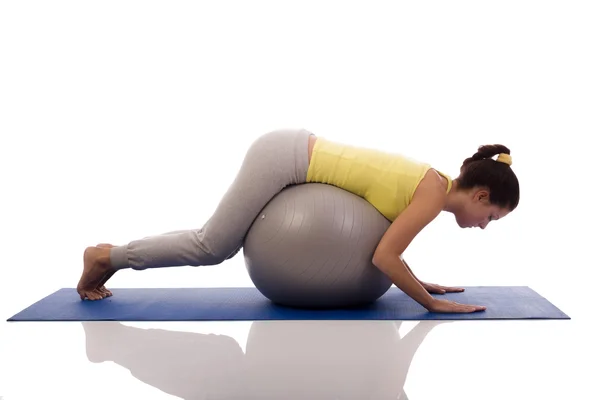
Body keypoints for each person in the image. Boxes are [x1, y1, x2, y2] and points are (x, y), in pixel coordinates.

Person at [77, 128, 519, 313]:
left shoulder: (434, 187)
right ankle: (106, 255)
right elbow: (386, 256)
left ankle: (110, 254)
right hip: (285, 157)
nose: (484, 225)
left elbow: (390, 249)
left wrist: (425, 282)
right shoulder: (432, 193)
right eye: (491, 215)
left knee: (212, 246)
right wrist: (430, 302)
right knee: (212, 247)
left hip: (293, 150)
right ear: (480, 194)